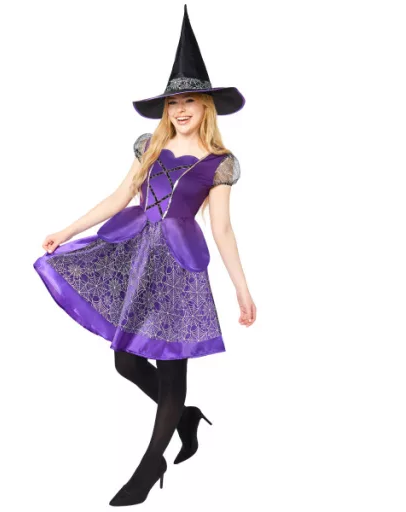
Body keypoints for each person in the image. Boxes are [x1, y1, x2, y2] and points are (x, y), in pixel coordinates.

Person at [33, 4, 256, 507]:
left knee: (171, 364)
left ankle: (151, 463)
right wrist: (67, 229)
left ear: (206, 107)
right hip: (136, 255)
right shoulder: (149, 147)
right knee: (126, 360)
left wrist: (242, 289)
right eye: (174, 102)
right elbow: (118, 198)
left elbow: (222, 228)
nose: (180, 109)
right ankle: (185, 417)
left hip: (179, 267)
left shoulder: (219, 163)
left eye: (190, 101)